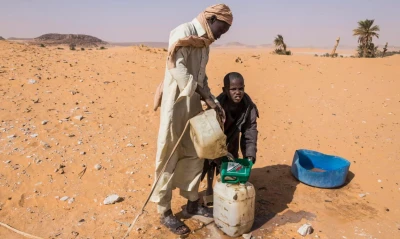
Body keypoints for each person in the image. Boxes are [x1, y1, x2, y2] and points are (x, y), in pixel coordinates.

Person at [150, 4, 233, 235]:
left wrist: (211, 99)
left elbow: (200, 76)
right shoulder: (183, 32)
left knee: (196, 152)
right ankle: (165, 211)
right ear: (212, 18)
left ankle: (191, 203)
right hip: (176, 105)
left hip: (193, 104)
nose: (220, 35)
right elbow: (178, 69)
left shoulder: (204, 44)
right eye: (221, 29)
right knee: (169, 153)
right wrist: (201, 92)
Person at [201, 72, 259, 206]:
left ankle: (227, 191)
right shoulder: (216, 106)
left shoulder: (248, 107)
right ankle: (209, 189)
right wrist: (217, 151)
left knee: (231, 164)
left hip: (232, 138)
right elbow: (211, 130)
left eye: (241, 89)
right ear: (225, 90)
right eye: (233, 89)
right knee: (210, 161)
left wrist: (250, 155)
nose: (238, 92)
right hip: (216, 137)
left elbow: (250, 131)